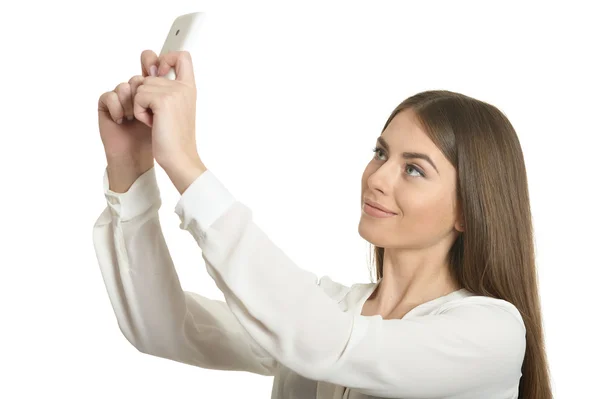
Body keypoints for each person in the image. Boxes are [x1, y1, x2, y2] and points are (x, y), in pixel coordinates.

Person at [92, 49, 553, 399]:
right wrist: (130, 167)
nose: (377, 178)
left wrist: (187, 167)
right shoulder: (328, 307)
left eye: (414, 169)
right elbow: (163, 328)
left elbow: (322, 342)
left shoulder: (491, 332)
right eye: (381, 153)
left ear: (467, 211)